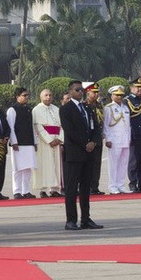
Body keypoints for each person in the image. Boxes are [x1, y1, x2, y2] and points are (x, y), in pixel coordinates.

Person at [60, 80, 103, 230]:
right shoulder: (66, 109)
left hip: (88, 154)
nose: (80, 92)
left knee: (86, 188)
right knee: (72, 189)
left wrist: (94, 142)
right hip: (74, 154)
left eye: (81, 90)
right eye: (77, 90)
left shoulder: (87, 108)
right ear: (70, 91)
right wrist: (85, 143)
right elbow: (70, 131)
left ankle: (86, 219)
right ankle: (71, 220)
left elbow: (96, 128)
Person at [32, 89, 63, 198]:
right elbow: (38, 126)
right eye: (46, 95)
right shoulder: (36, 110)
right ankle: (43, 189)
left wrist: (60, 139)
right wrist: (49, 140)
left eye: (50, 95)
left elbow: (62, 126)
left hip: (57, 140)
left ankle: (54, 189)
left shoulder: (56, 109)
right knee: (44, 165)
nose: (48, 97)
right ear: (41, 97)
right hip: (44, 142)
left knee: (56, 165)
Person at [7, 87, 37, 199]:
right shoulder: (12, 110)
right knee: (17, 168)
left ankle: (26, 191)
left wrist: (35, 142)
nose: (27, 97)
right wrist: (14, 142)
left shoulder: (29, 109)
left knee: (28, 168)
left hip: (28, 142)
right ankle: (17, 191)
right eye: (24, 95)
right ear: (17, 97)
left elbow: (32, 127)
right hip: (18, 144)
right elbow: (11, 127)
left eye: (27, 95)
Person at [103, 85, 132, 194]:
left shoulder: (125, 108)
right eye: (117, 95)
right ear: (112, 96)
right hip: (114, 140)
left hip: (125, 139)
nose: (120, 97)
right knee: (113, 164)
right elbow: (106, 125)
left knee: (123, 163)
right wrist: (108, 138)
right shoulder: (108, 108)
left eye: (121, 95)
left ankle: (121, 185)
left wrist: (129, 138)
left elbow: (128, 125)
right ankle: (112, 186)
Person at [84, 83, 106, 195]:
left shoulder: (99, 105)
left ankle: (95, 187)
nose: (96, 94)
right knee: (88, 164)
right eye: (94, 92)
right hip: (89, 139)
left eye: (97, 92)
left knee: (97, 164)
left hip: (98, 138)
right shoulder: (84, 105)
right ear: (88, 93)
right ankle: (87, 187)